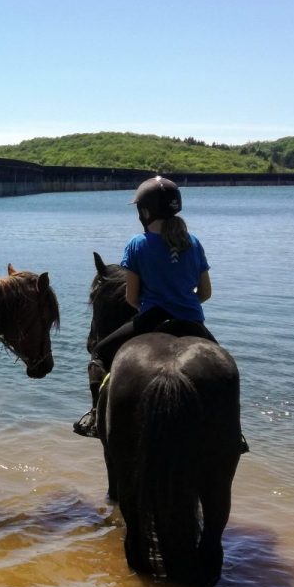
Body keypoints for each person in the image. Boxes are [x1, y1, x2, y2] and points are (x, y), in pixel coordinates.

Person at [73, 175, 215, 437]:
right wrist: (184, 303)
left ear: (144, 212)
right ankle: (233, 431)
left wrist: (152, 306)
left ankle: (95, 415)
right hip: (193, 321)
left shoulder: (137, 244)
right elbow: (205, 292)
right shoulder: (194, 243)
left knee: (98, 356)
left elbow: (131, 298)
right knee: (222, 367)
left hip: (151, 318)